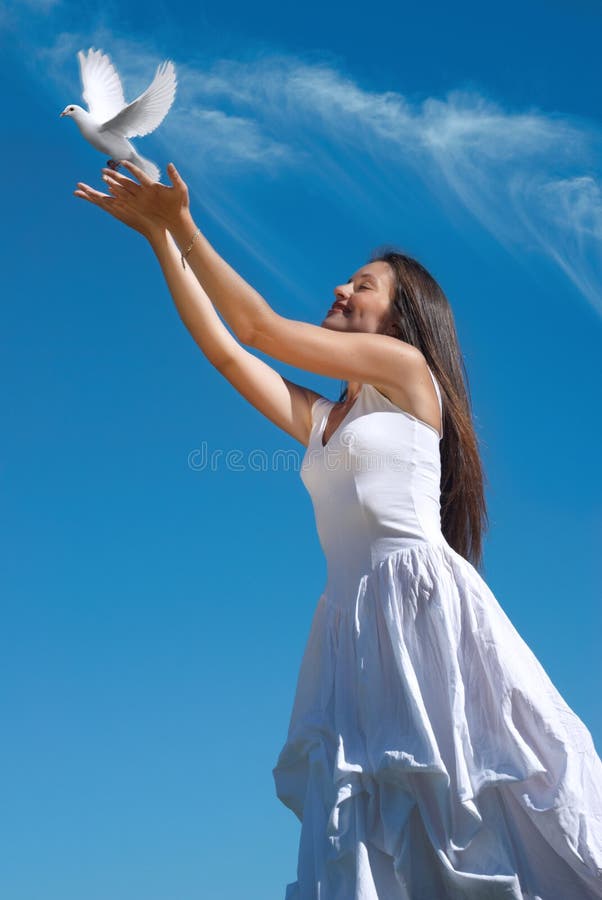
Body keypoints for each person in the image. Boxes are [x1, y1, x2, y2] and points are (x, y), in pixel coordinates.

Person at [74, 161, 602, 900]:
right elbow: (229, 352)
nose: (340, 290)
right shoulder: (326, 423)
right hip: (356, 633)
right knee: (379, 838)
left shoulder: (409, 373)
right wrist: (162, 239)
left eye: (362, 286)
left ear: (401, 317)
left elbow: (257, 326)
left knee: (481, 812)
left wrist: (187, 224)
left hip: (424, 614)